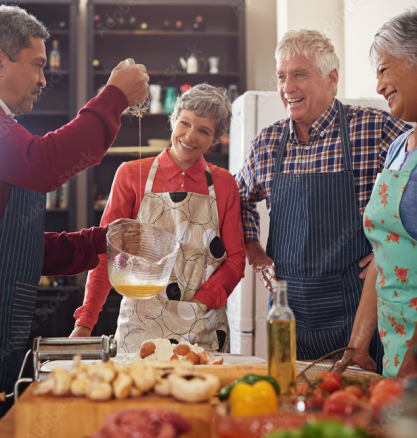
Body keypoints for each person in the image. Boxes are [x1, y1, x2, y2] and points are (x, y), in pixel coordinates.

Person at [0, 5, 148, 431]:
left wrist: (99, 241)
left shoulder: (2, 126)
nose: (42, 79)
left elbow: (21, 249)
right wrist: (114, 97)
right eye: (36, 65)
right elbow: (46, 162)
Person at [236, 29, 412, 372]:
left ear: (331, 78)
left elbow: (408, 198)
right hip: (288, 316)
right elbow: (239, 200)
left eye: (299, 74)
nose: (287, 87)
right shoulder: (267, 143)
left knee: (354, 417)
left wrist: (385, 253)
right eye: (282, 76)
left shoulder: (374, 129)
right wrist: (253, 249)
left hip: (355, 315)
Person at [71, 84, 246, 354]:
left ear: (215, 138)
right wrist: (86, 321)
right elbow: (106, 253)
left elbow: (235, 260)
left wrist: (202, 302)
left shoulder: (224, 184)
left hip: (203, 329)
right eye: (185, 123)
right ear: (173, 120)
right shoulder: (131, 174)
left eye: (204, 131)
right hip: (141, 329)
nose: (189, 136)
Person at [344, 9, 417, 379]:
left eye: (385, 70)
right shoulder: (399, 147)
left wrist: (412, 365)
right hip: (395, 351)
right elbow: (383, 252)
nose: (378, 86)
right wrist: (358, 343)